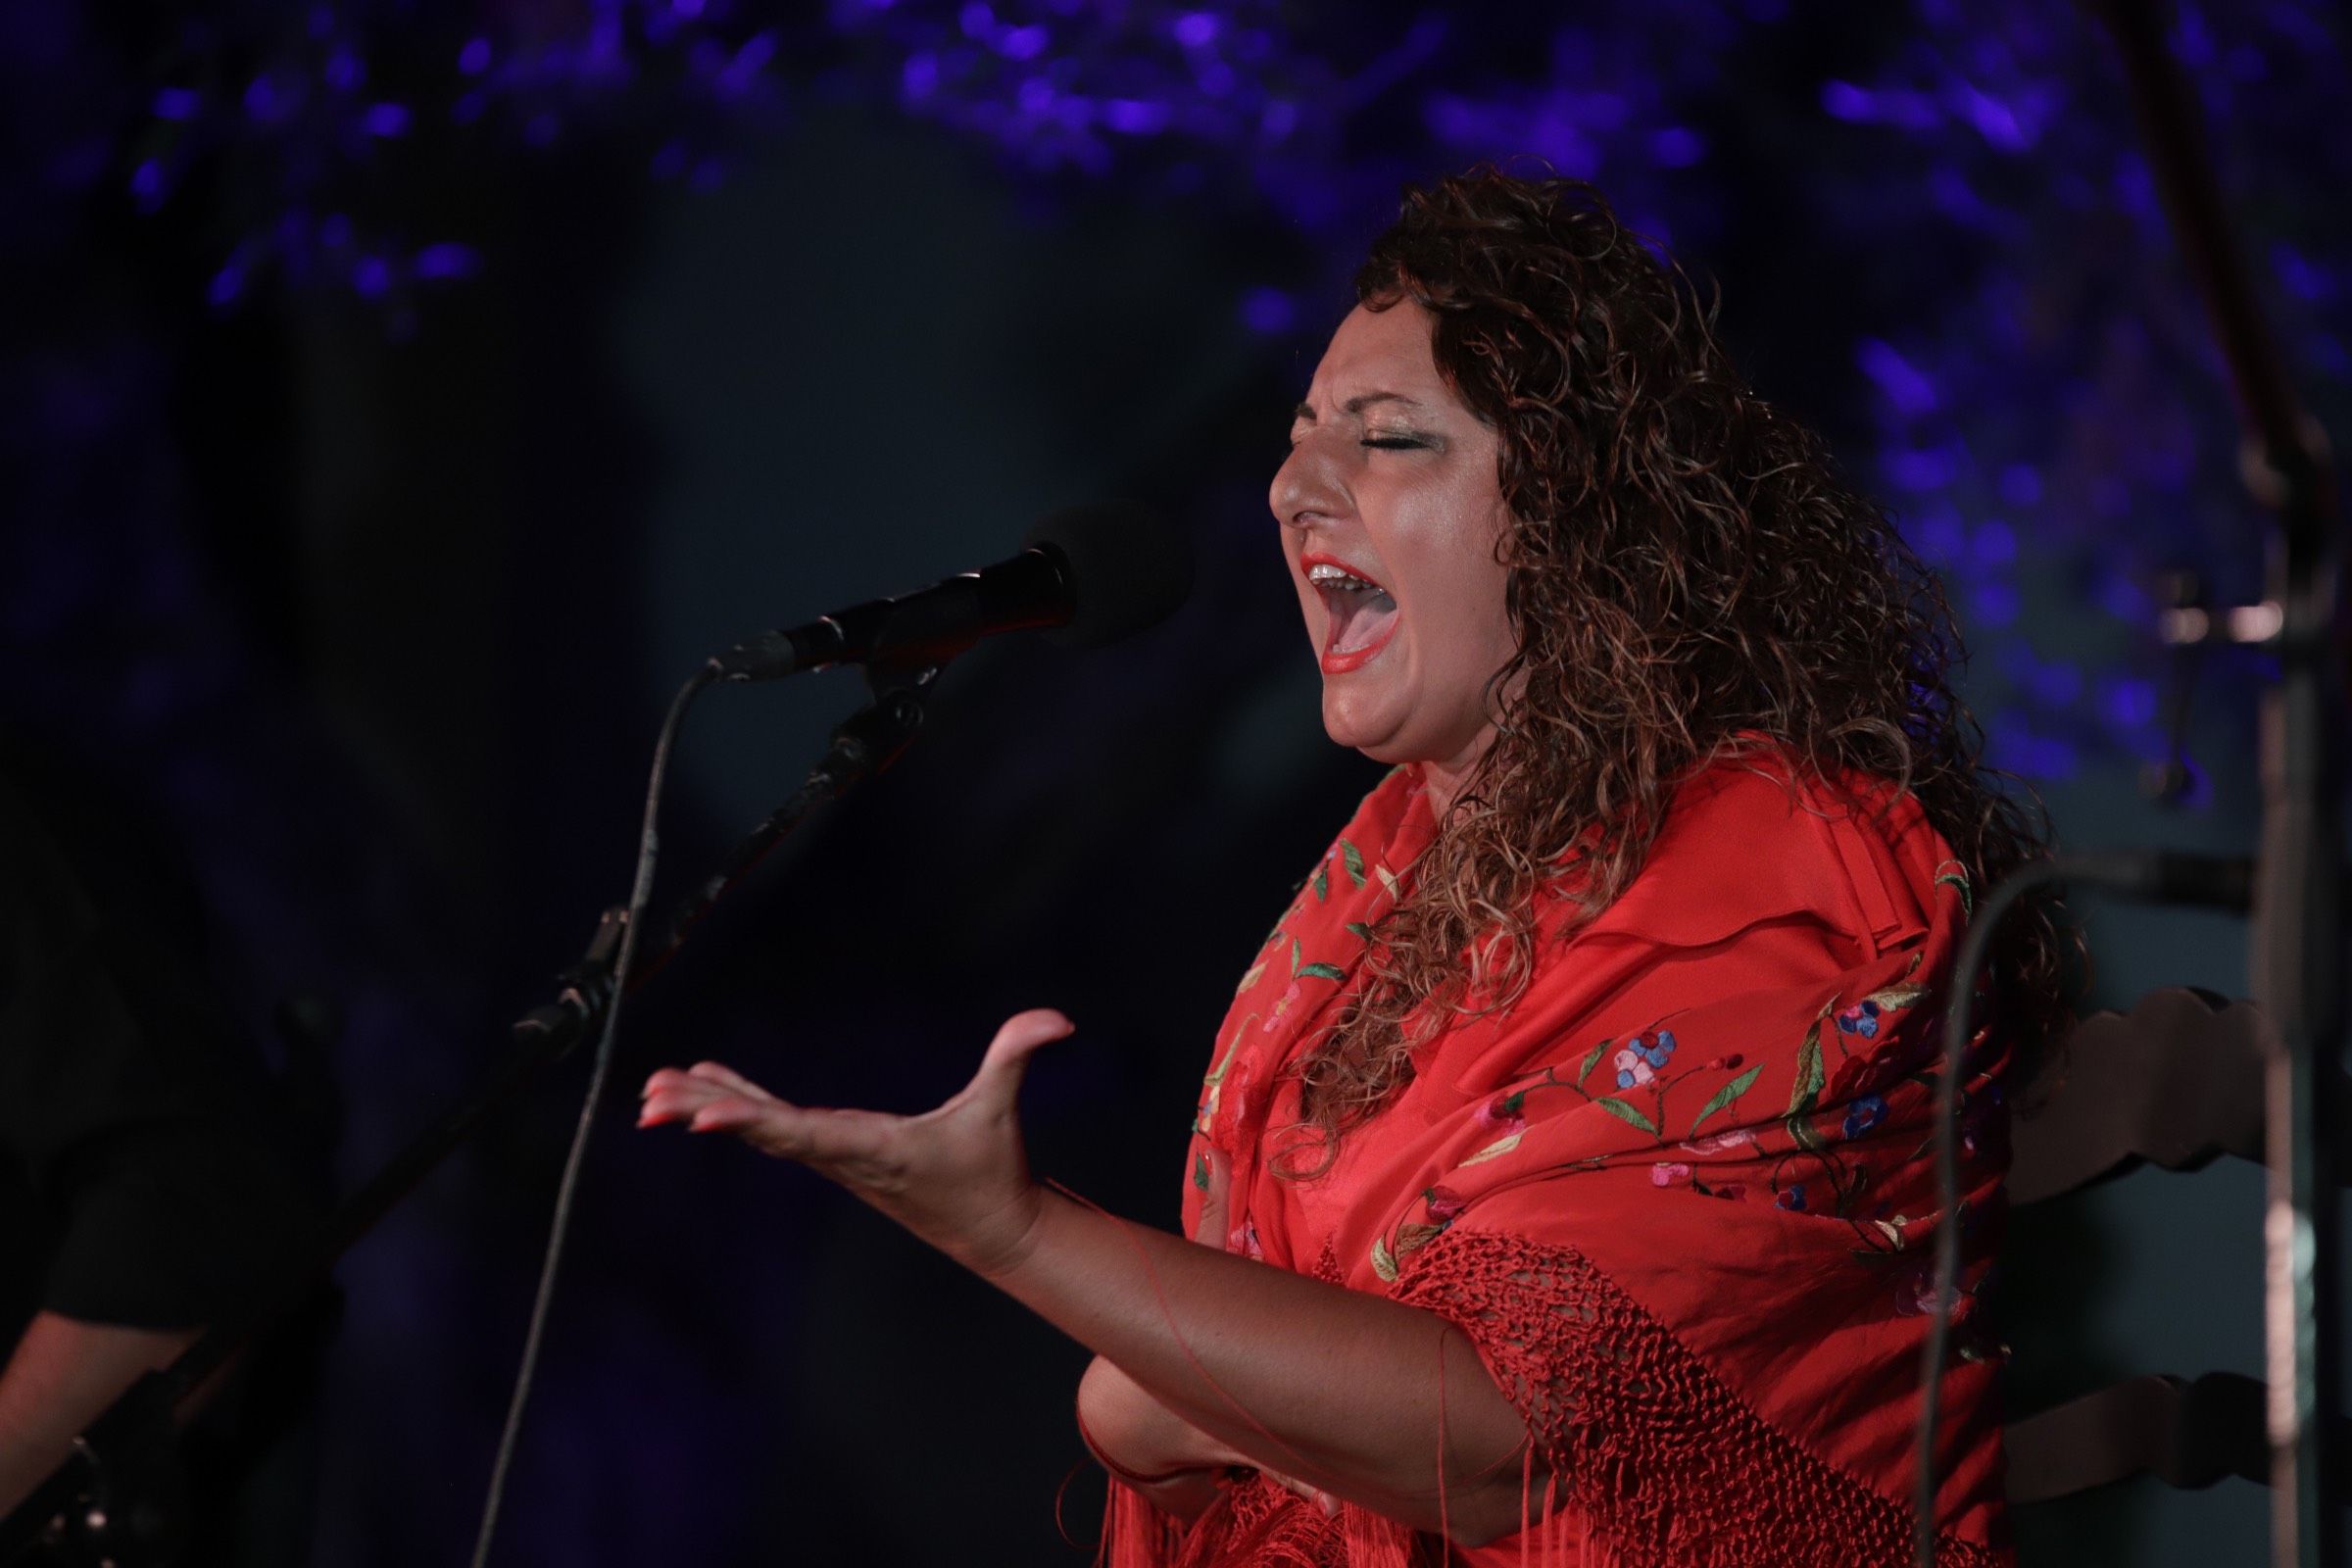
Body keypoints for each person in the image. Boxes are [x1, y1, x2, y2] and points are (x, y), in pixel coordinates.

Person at [639, 170, 2069, 1565]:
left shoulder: (1789, 887)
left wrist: (1019, 1236)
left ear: (1582, 517)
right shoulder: (1386, 884)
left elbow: (1506, 1440)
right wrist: (1155, 1392)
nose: (1288, 489)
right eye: (1300, 436)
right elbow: (1291, 1386)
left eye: (1386, 440)